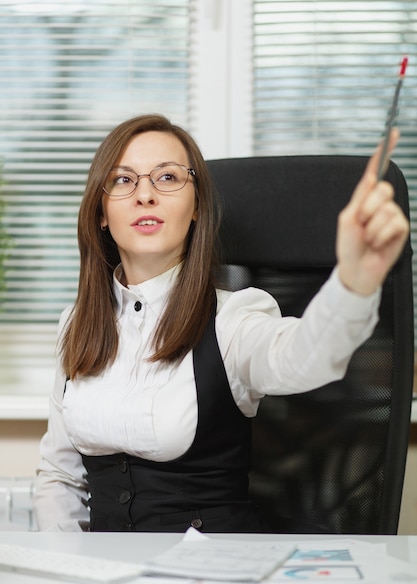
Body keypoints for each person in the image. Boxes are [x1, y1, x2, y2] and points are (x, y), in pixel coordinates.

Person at [34, 114, 409, 533]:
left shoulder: (233, 319)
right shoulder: (75, 325)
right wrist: (73, 574)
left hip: (208, 583)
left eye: (168, 177)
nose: (145, 195)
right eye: (123, 181)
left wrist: (354, 282)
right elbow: (60, 477)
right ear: (101, 214)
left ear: (196, 208)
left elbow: (305, 358)